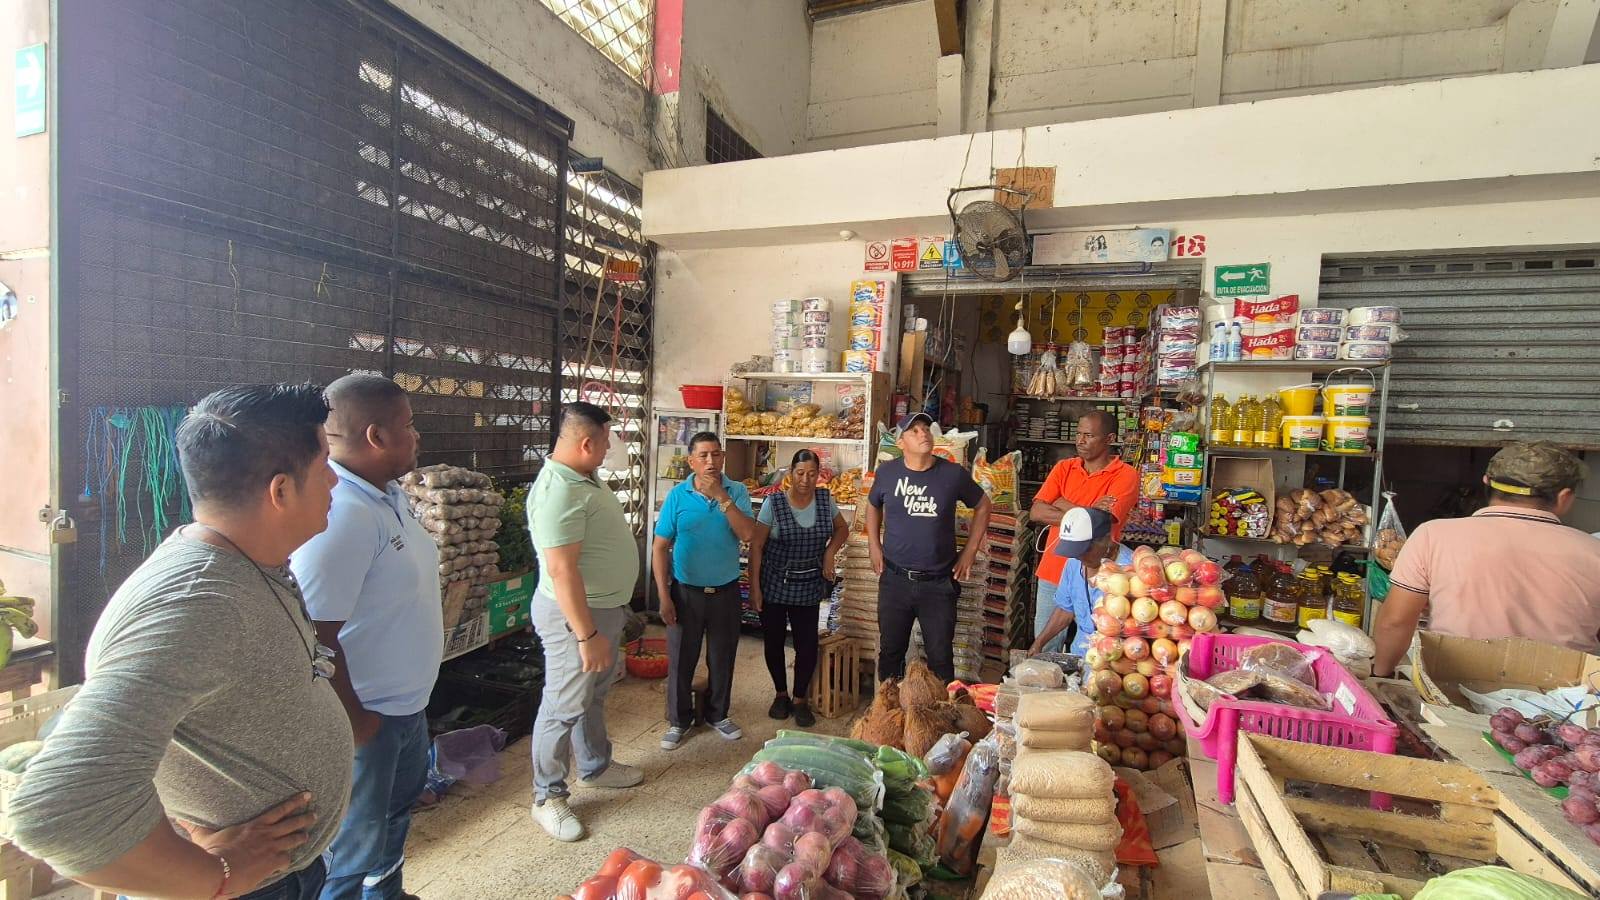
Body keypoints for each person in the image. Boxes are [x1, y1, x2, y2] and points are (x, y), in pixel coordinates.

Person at [10, 384, 351, 900]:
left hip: (281, 878)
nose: (334, 479)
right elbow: (59, 811)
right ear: (280, 491)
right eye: (325, 463)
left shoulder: (247, 563)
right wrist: (216, 875)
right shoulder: (200, 604)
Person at [288, 375, 439, 900]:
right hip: (366, 718)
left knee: (392, 819)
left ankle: (387, 893)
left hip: (404, 708)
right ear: (376, 436)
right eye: (408, 426)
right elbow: (313, 634)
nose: (416, 436)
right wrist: (355, 721)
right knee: (350, 847)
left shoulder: (386, 494)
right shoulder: (342, 515)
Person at [522, 402, 645, 841]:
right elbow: (562, 571)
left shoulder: (583, 476)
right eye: (606, 442)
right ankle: (547, 797)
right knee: (564, 704)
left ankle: (595, 766)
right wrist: (586, 634)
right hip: (575, 617)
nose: (610, 449)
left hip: (601, 611)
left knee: (592, 696)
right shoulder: (559, 491)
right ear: (587, 443)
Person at [1373, 442, 1600, 677]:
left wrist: (1381, 674)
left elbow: (1395, 622)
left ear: (1486, 482)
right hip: (1563, 694)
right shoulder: (1594, 552)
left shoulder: (1433, 535)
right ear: (1565, 497)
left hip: (1450, 686)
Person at [866, 412, 993, 682]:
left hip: (938, 583)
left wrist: (970, 551)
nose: (923, 433)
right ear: (900, 443)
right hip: (895, 580)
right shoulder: (887, 472)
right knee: (890, 653)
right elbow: (873, 505)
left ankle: (940, 709)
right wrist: (874, 546)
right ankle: (890, 706)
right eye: (914, 431)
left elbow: (983, 505)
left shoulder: (952, 474)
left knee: (940, 658)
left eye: (925, 428)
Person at [652, 432, 757, 750]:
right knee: (681, 659)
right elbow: (660, 547)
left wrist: (722, 497)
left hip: (725, 591)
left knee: (722, 657)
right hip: (686, 592)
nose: (711, 461)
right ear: (691, 461)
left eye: (717, 454)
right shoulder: (677, 496)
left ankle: (718, 714)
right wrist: (664, 596)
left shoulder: (737, 491)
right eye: (704, 455)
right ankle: (678, 720)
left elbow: (748, 534)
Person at [748, 449, 849, 727]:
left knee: (807, 645)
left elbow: (842, 529)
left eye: (812, 474)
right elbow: (756, 546)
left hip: (808, 583)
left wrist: (829, 553)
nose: (806, 480)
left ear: (819, 476)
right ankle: (781, 694)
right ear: (791, 473)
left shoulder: (825, 500)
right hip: (775, 583)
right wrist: (755, 588)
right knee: (774, 641)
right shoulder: (774, 503)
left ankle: (800, 698)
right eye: (800, 473)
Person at [1027, 410, 1138, 653]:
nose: (1080, 441)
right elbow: (1036, 512)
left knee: (1096, 647)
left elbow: (1102, 521)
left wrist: (1062, 503)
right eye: (1078, 434)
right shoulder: (1064, 467)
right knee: (1045, 648)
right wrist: (1086, 512)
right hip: (1053, 568)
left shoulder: (1126, 475)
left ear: (1109, 439)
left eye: (1089, 435)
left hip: (1099, 573)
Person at [1028, 508, 1134, 657]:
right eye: (1074, 551)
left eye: (1085, 550)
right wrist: (1039, 642)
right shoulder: (1073, 563)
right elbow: (1065, 609)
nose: (1079, 556)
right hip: (1081, 656)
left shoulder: (1130, 571)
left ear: (1106, 539)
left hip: (1117, 658)